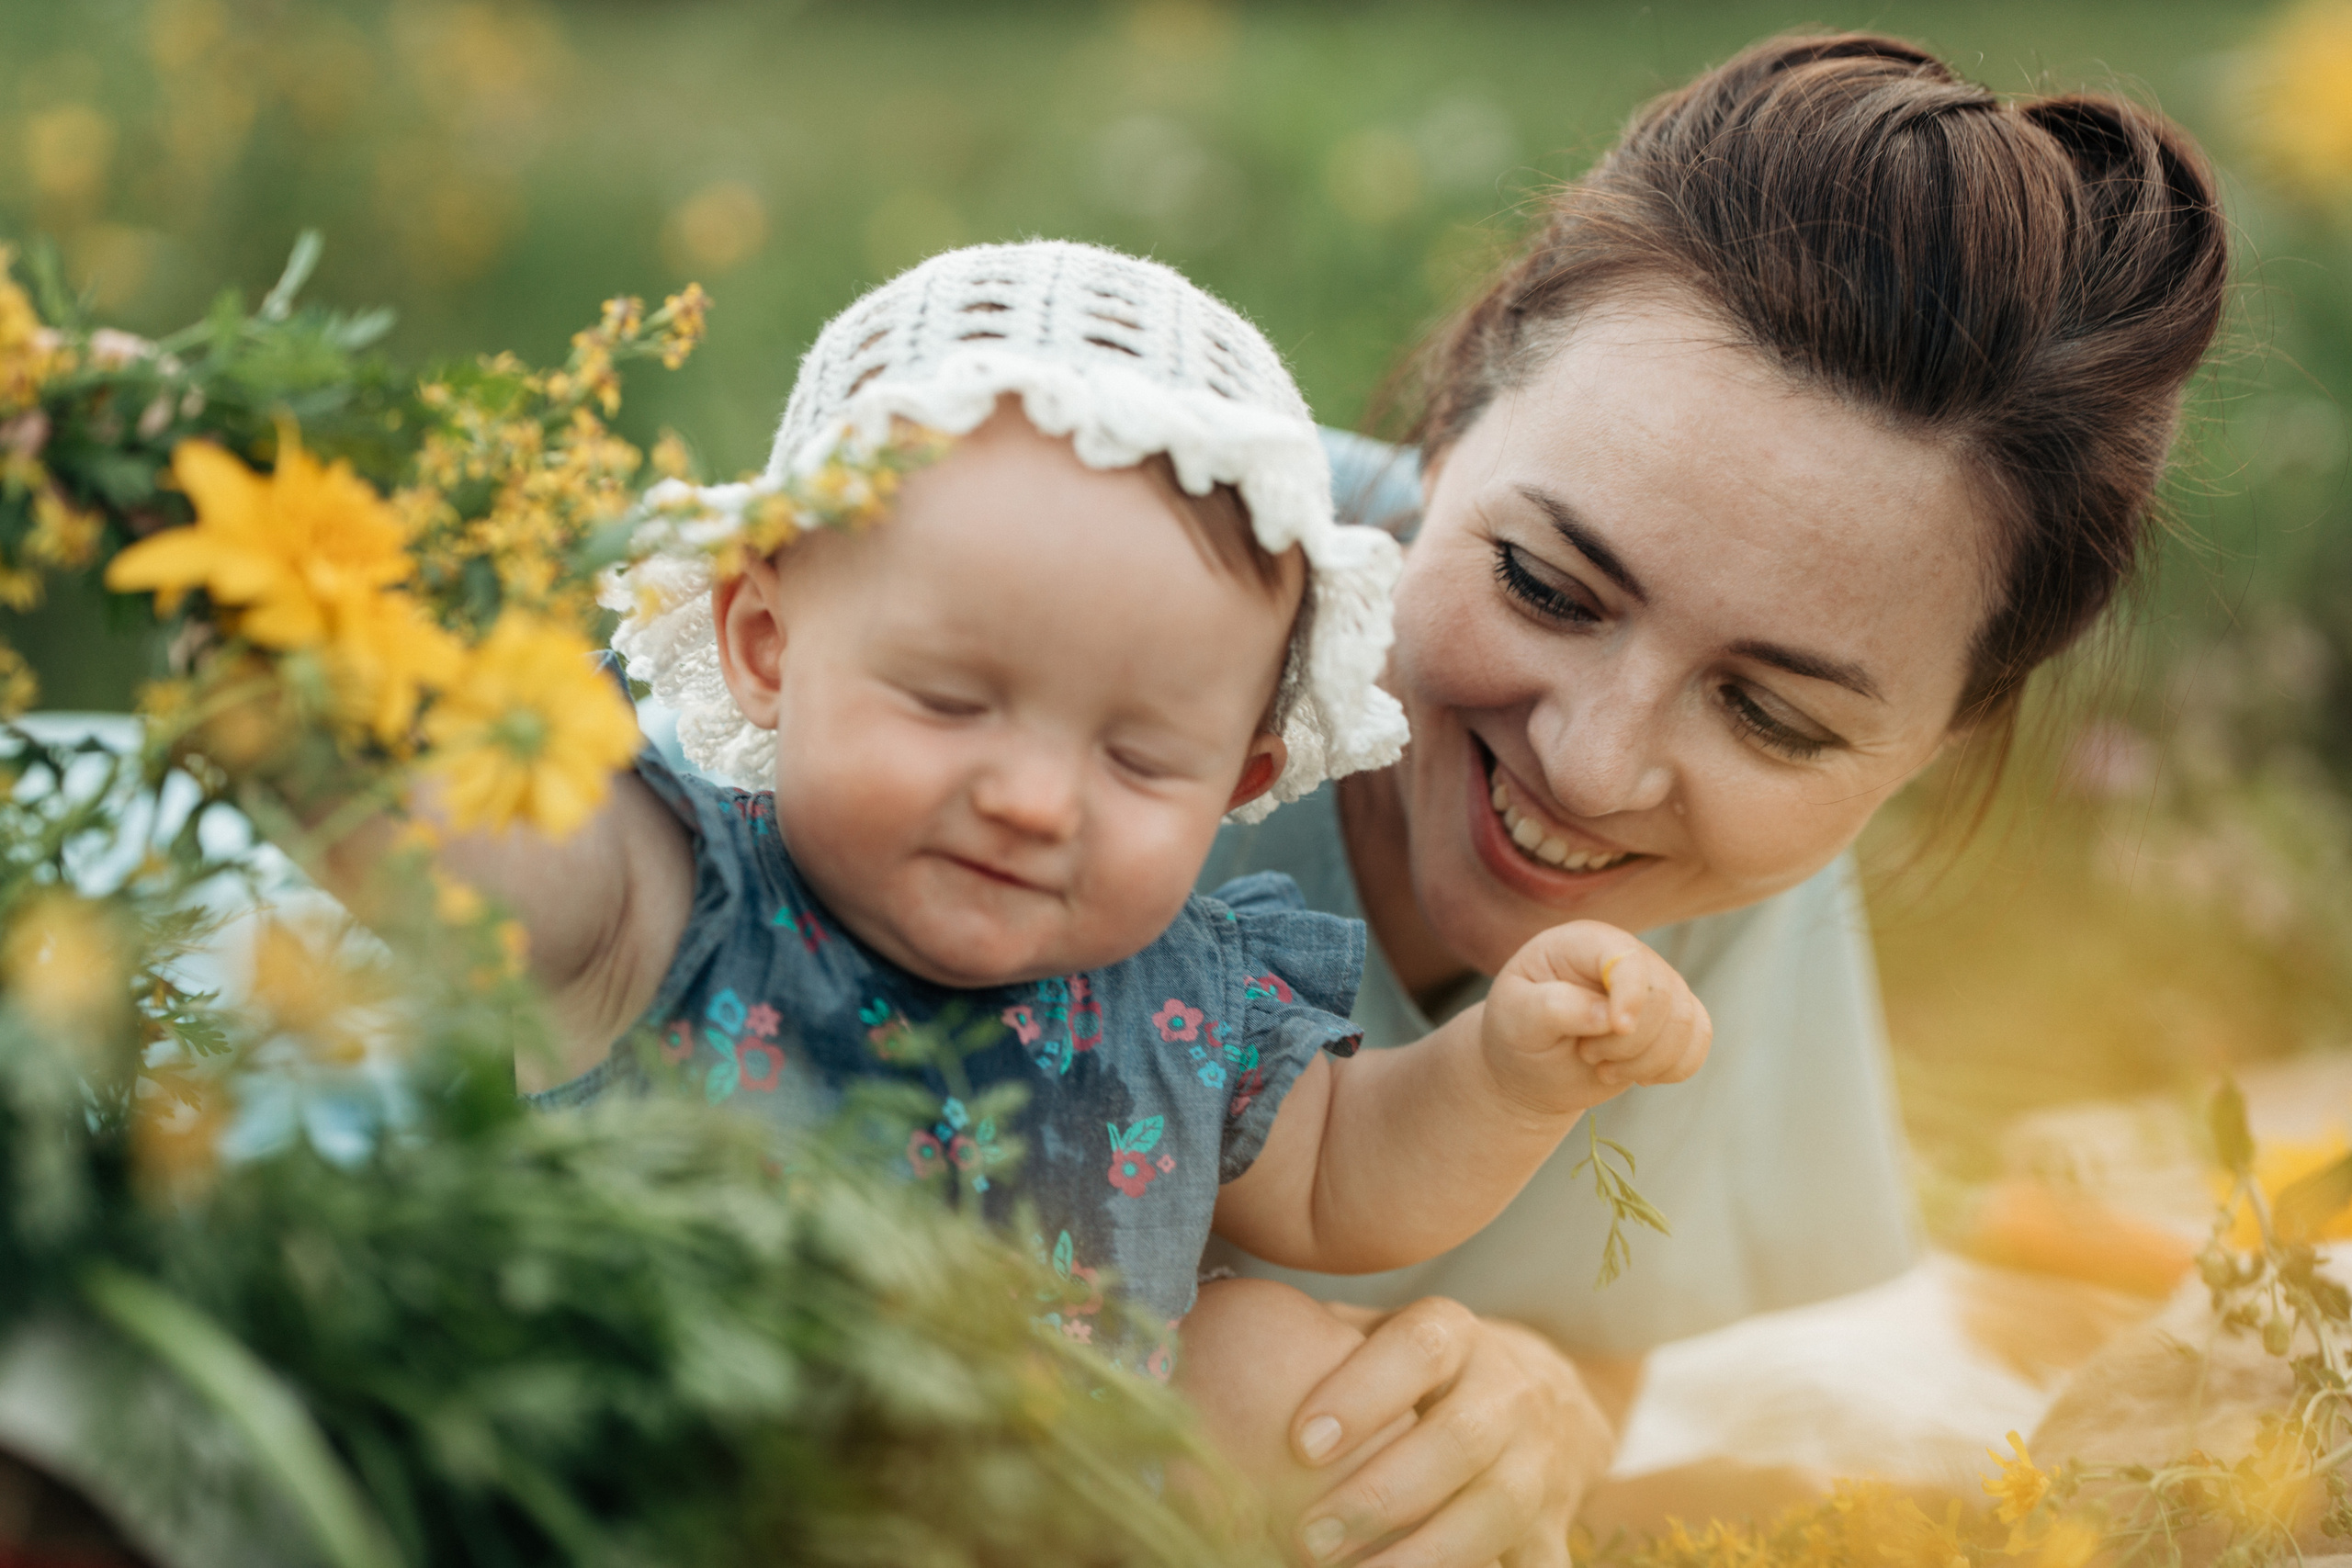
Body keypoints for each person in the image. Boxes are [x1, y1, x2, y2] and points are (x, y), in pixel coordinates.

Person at [433, 241, 1710, 1508]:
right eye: (949, 700)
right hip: (682, 1498)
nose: (1035, 801)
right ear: (767, 643)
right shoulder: (676, 903)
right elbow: (476, 855)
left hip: (1039, 1516)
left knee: (1263, 1363)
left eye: (1140, 758)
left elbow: (1342, 1179)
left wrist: (1508, 1075)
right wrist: (328, 697)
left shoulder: (1183, 999)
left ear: (1239, 784)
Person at [1183, 31, 2231, 1568]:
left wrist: (1549, 1404)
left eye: (1773, 715)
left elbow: (1585, 1311)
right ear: (1456, 413)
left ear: (1936, 738)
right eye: (1547, 585)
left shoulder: (1733, 885)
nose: (1597, 766)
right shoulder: (1140, 602)